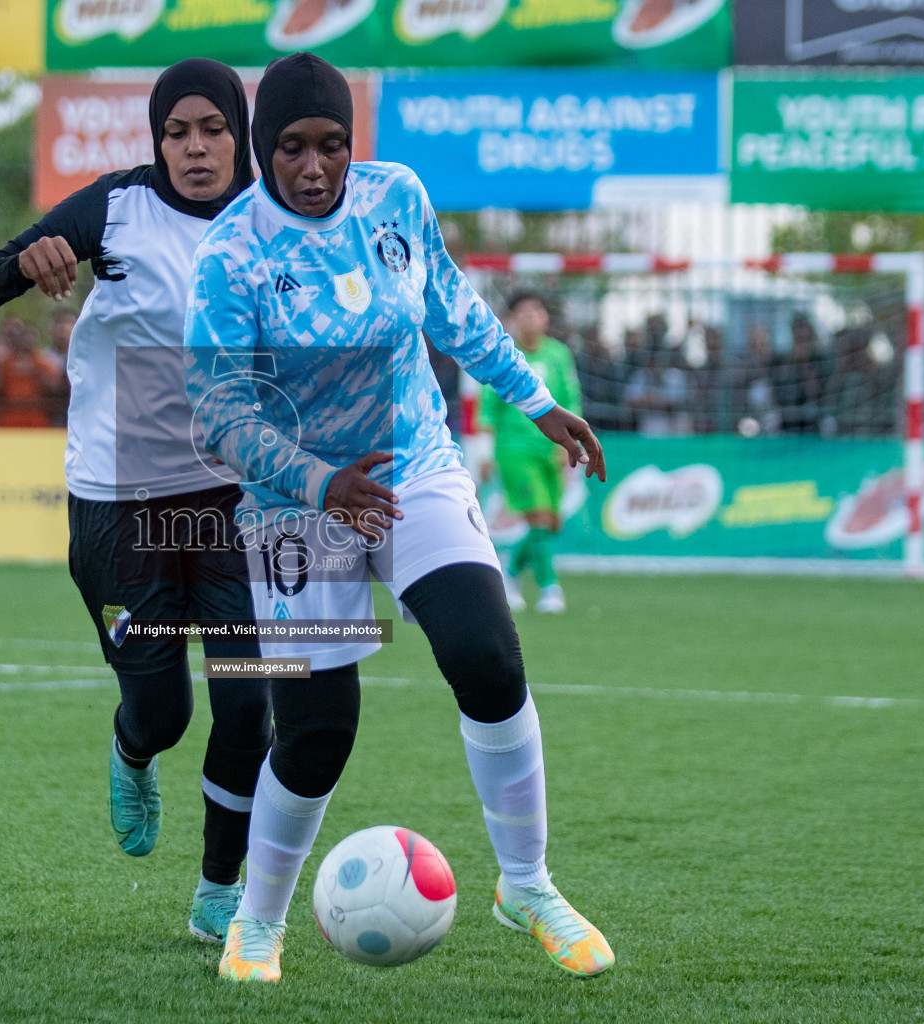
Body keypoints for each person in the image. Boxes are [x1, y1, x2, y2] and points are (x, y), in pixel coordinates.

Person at [185, 52, 612, 983]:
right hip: (294, 509)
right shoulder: (231, 251)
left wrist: (536, 400)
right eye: (291, 147)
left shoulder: (396, 199)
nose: (313, 167)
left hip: (414, 468)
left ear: (352, 146)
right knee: (316, 726)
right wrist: (317, 481)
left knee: (488, 657)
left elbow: (455, 311)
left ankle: (528, 886)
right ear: (261, 149)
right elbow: (216, 411)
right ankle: (257, 925)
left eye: (331, 145)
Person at [0, 58, 273, 945]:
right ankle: (134, 751)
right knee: (166, 712)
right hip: (118, 502)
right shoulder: (114, 208)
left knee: (251, 703)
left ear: (240, 134)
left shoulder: (276, 220)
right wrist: (30, 258)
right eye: (178, 132)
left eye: (214, 129)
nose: (196, 148)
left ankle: (220, 891)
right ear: (157, 139)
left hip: (232, 502)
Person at [479, 291, 582, 614]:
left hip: (551, 450)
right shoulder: (504, 356)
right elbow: (488, 409)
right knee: (537, 514)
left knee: (550, 522)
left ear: (545, 318)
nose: (530, 318)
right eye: (522, 312)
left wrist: (570, 445)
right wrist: (483, 453)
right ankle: (550, 587)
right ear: (512, 319)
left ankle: (509, 572)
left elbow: (571, 400)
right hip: (514, 449)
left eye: (536, 311)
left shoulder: (558, 355)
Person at [0, 322, 63, 427]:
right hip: (10, 418)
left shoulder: (43, 363)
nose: (27, 341)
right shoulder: (6, 363)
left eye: (31, 337)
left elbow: (53, 389)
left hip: (37, 418)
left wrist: (40, 375)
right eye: (25, 337)